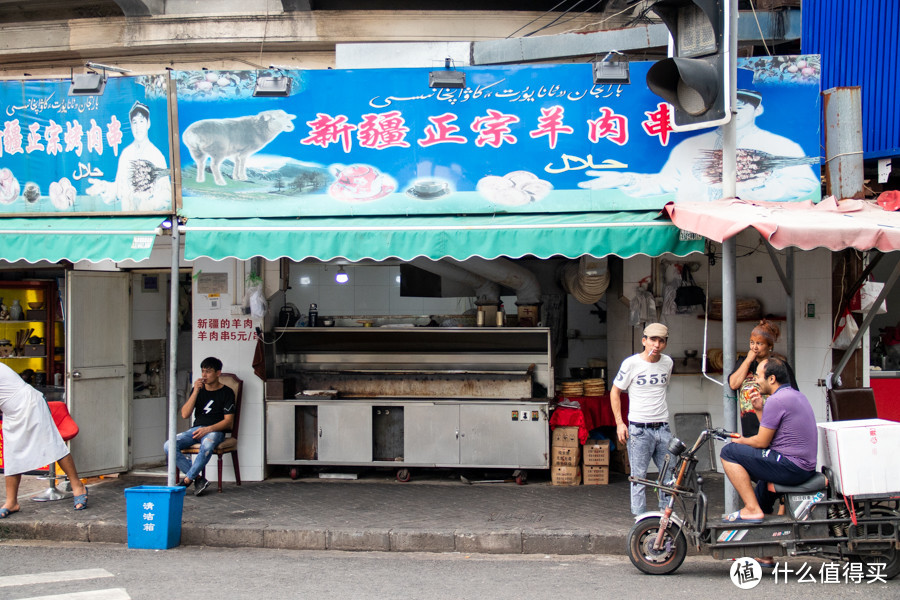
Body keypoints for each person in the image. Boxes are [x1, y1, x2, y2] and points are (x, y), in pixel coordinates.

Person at [578, 82, 820, 203]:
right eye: (728, 106)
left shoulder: (781, 145)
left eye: (743, 106)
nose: (734, 111)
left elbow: (804, 184)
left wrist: (747, 191)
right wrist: (626, 179)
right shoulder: (690, 145)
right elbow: (667, 182)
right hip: (694, 221)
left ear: (758, 111)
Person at [719, 357, 817, 529]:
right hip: (801, 466)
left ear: (771, 379)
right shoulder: (795, 395)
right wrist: (759, 410)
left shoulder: (776, 400)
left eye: (758, 376)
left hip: (792, 466)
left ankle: (751, 509)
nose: (755, 380)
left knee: (728, 452)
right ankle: (766, 553)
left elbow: (762, 442)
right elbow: (771, 436)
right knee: (761, 492)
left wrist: (741, 440)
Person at [1, 362, 87, 518]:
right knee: (12, 454)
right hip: (11, 412)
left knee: (53, 445)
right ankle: (12, 502)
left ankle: (78, 486)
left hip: (29, 404)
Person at [611, 322, 674, 515]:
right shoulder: (631, 364)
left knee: (668, 476)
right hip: (639, 429)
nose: (656, 345)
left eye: (661, 341)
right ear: (644, 341)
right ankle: (640, 521)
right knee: (638, 478)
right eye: (652, 340)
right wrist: (620, 424)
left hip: (663, 428)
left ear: (665, 343)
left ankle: (666, 518)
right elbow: (615, 392)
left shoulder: (667, 363)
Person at [164, 356, 235, 496]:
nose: (204, 375)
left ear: (218, 373)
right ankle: (198, 478)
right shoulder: (198, 390)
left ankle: (187, 480)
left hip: (215, 430)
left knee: (207, 446)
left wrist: (208, 429)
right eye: (202, 371)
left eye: (208, 371)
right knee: (168, 446)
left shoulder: (227, 392)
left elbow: (228, 421)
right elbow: (185, 414)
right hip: (196, 429)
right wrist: (195, 391)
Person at [87, 101, 171, 211]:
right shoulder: (126, 154)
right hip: (128, 219)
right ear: (131, 125)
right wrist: (104, 187)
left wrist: (150, 204)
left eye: (141, 121)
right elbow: (119, 190)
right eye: (134, 122)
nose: (138, 127)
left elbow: (166, 194)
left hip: (151, 220)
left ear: (148, 123)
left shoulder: (156, 156)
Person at [728, 319, 798, 437]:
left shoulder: (779, 365)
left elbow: (793, 396)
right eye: (752, 342)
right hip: (749, 428)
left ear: (769, 346)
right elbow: (734, 384)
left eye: (759, 344)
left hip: (773, 427)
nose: (754, 347)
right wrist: (748, 360)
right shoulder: (743, 362)